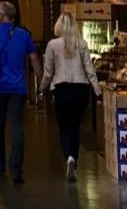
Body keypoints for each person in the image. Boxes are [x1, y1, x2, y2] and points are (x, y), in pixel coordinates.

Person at [0, 0, 41, 183]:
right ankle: (16, 168)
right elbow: (34, 60)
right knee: (17, 127)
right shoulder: (23, 35)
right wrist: (42, 83)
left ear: (2, 15)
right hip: (18, 88)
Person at [39, 12, 101, 179]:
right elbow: (90, 69)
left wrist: (41, 88)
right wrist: (98, 92)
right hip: (81, 90)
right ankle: (74, 155)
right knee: (75, 126)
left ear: (58, 26)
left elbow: (48, 72)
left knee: (64, 126)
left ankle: (69, 156)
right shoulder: (82, 44)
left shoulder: (52, 45)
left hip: (62, 89)